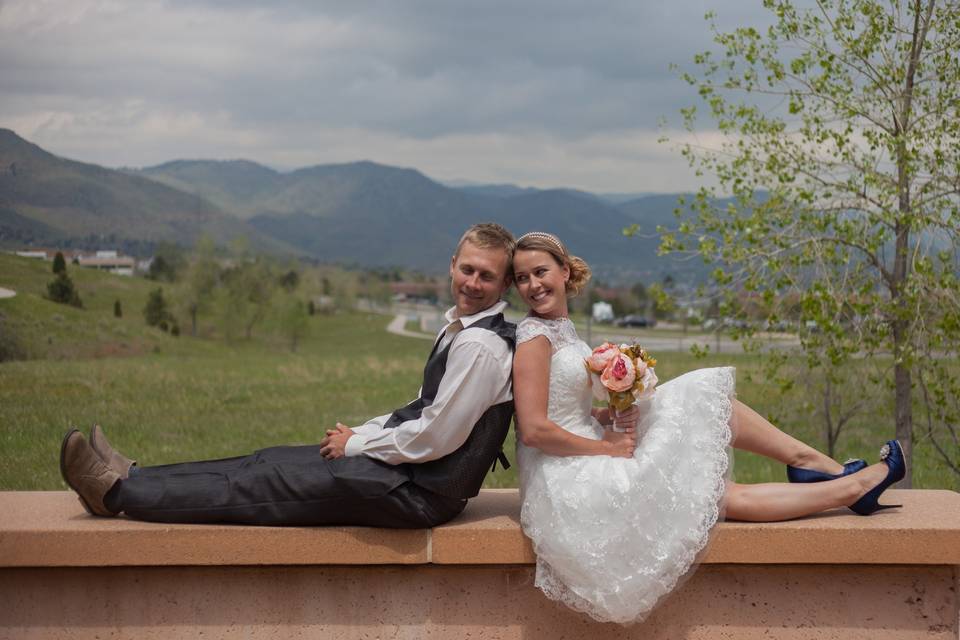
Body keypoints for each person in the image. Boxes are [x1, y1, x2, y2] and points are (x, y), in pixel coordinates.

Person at [509, 231, 906, 624]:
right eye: (522, 278)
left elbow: (563, 408)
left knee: (700, 397)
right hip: (566, 475)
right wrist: (609, 448)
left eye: (540, 271)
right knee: (709, 494)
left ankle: (816, 464)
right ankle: (851, 486)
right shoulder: (534, 337)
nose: (533, 285)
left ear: (564, 270)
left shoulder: (560, 328)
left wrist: (607, 415)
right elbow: (534, 431)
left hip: (584, 444)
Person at [59, 223, 517, 528]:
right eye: (468, 269)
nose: (473, 283)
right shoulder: (460, 329)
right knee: (267, 460)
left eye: (487, 276)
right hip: (412, 475)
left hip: (421, 495)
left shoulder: (480, 346)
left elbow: (436, 436)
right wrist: (362, 431)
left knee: (267, 483)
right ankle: (132, 476)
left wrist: (355, 445)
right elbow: (422, 407)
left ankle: (115, 494)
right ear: (452, 265)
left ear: (504, 286)